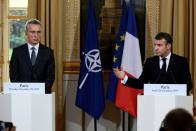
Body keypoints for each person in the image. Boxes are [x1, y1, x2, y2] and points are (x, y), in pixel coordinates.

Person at [114, 32, 192, 94]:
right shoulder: (150, 62)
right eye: (155, 45)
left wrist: (175, 90)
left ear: (168, 46)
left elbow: (189, 85)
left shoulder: (181, 61)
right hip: (154, 104)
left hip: (176, 105)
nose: (156, 48)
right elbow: (140, 83)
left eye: (159, 45)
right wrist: (124, 77)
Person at [9, 18, 55, 93]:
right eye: (33, 32)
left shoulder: (48, 53)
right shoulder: (17, 52)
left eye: (38, 32)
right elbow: (14, 77)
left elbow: (50, 78)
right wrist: (22, 92)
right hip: (21, 96)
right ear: (26, 33)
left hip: (42, 96)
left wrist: (40, 92)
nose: (36, 35)